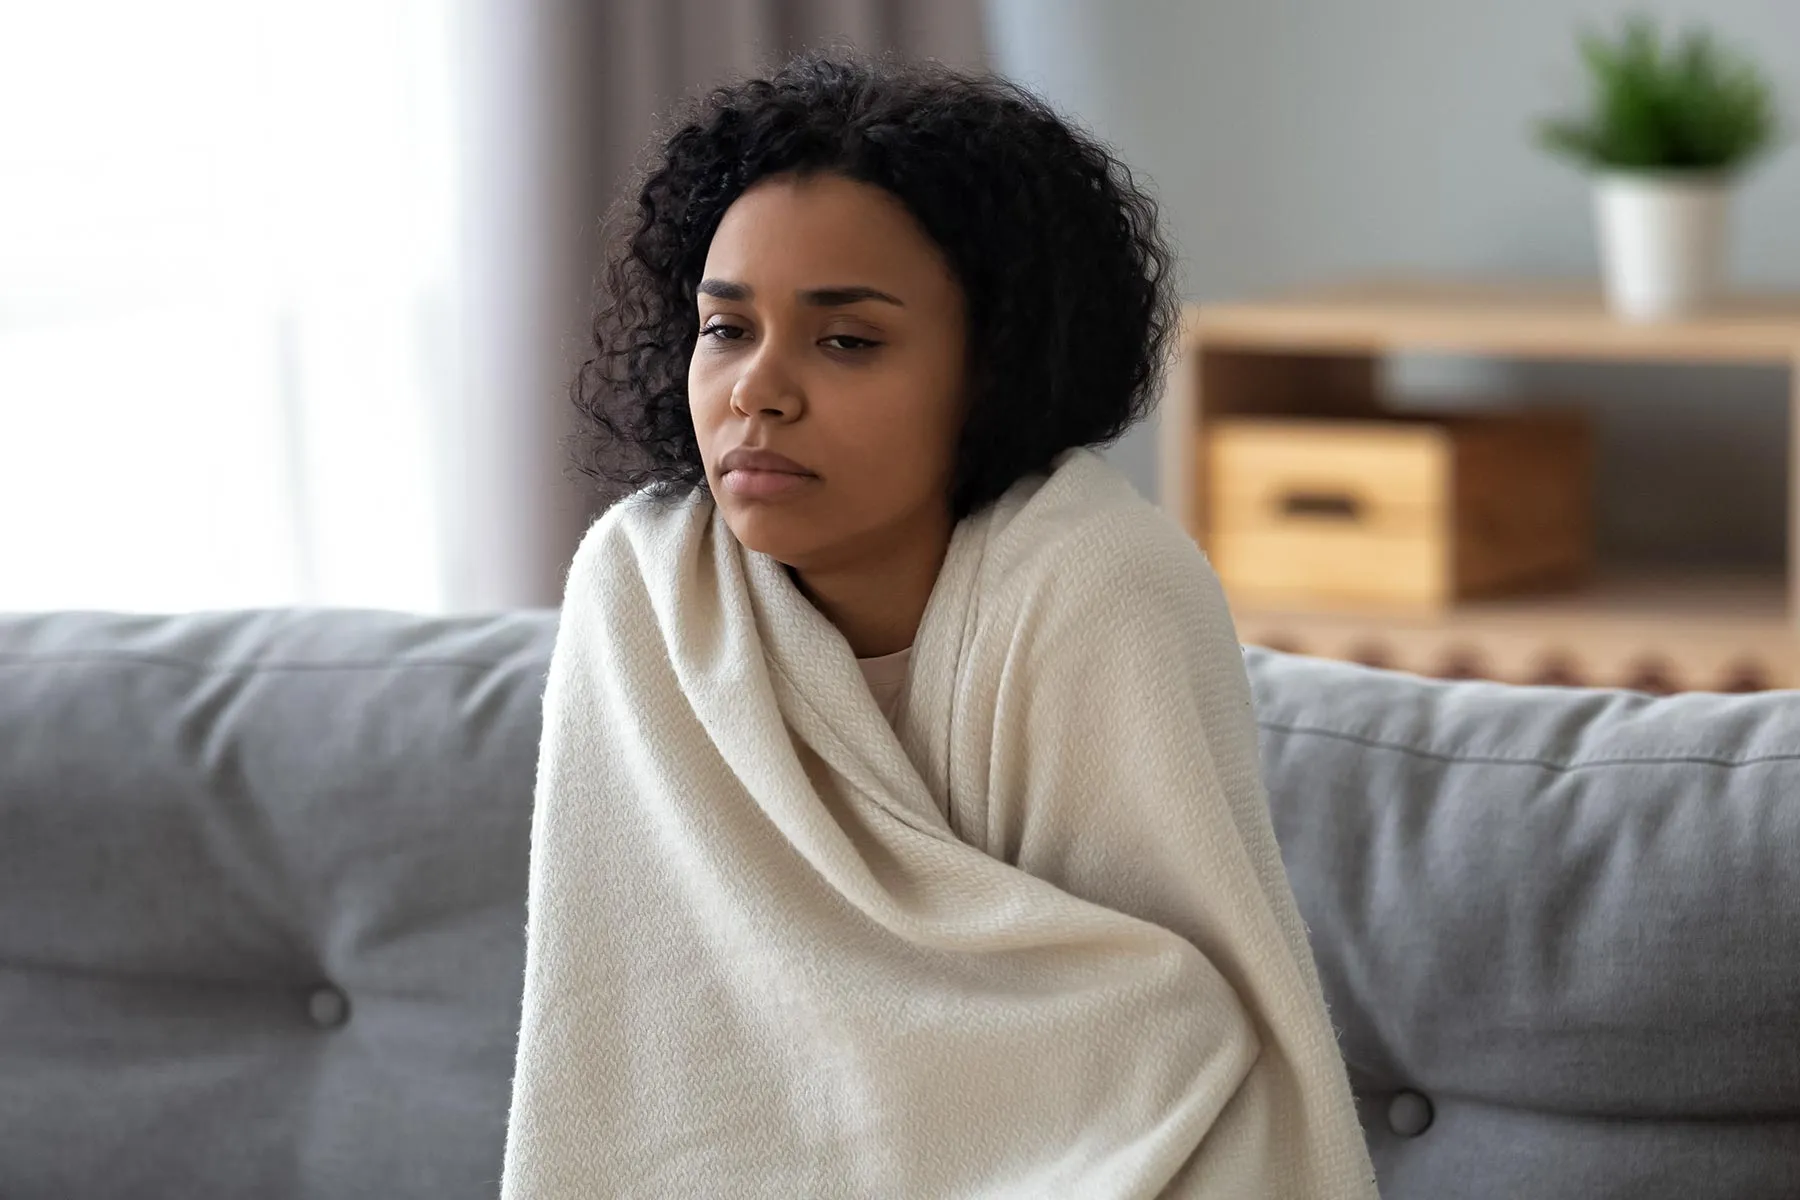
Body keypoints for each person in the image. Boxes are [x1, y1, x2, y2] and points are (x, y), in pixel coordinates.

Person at [501, 53, 1378, 1198]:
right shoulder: (648, 591)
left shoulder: (1095, 588)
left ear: (994, 367)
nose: (757, 391)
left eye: (845, 341)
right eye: (726, 331)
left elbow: (1169, 1043)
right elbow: (628, 1034)